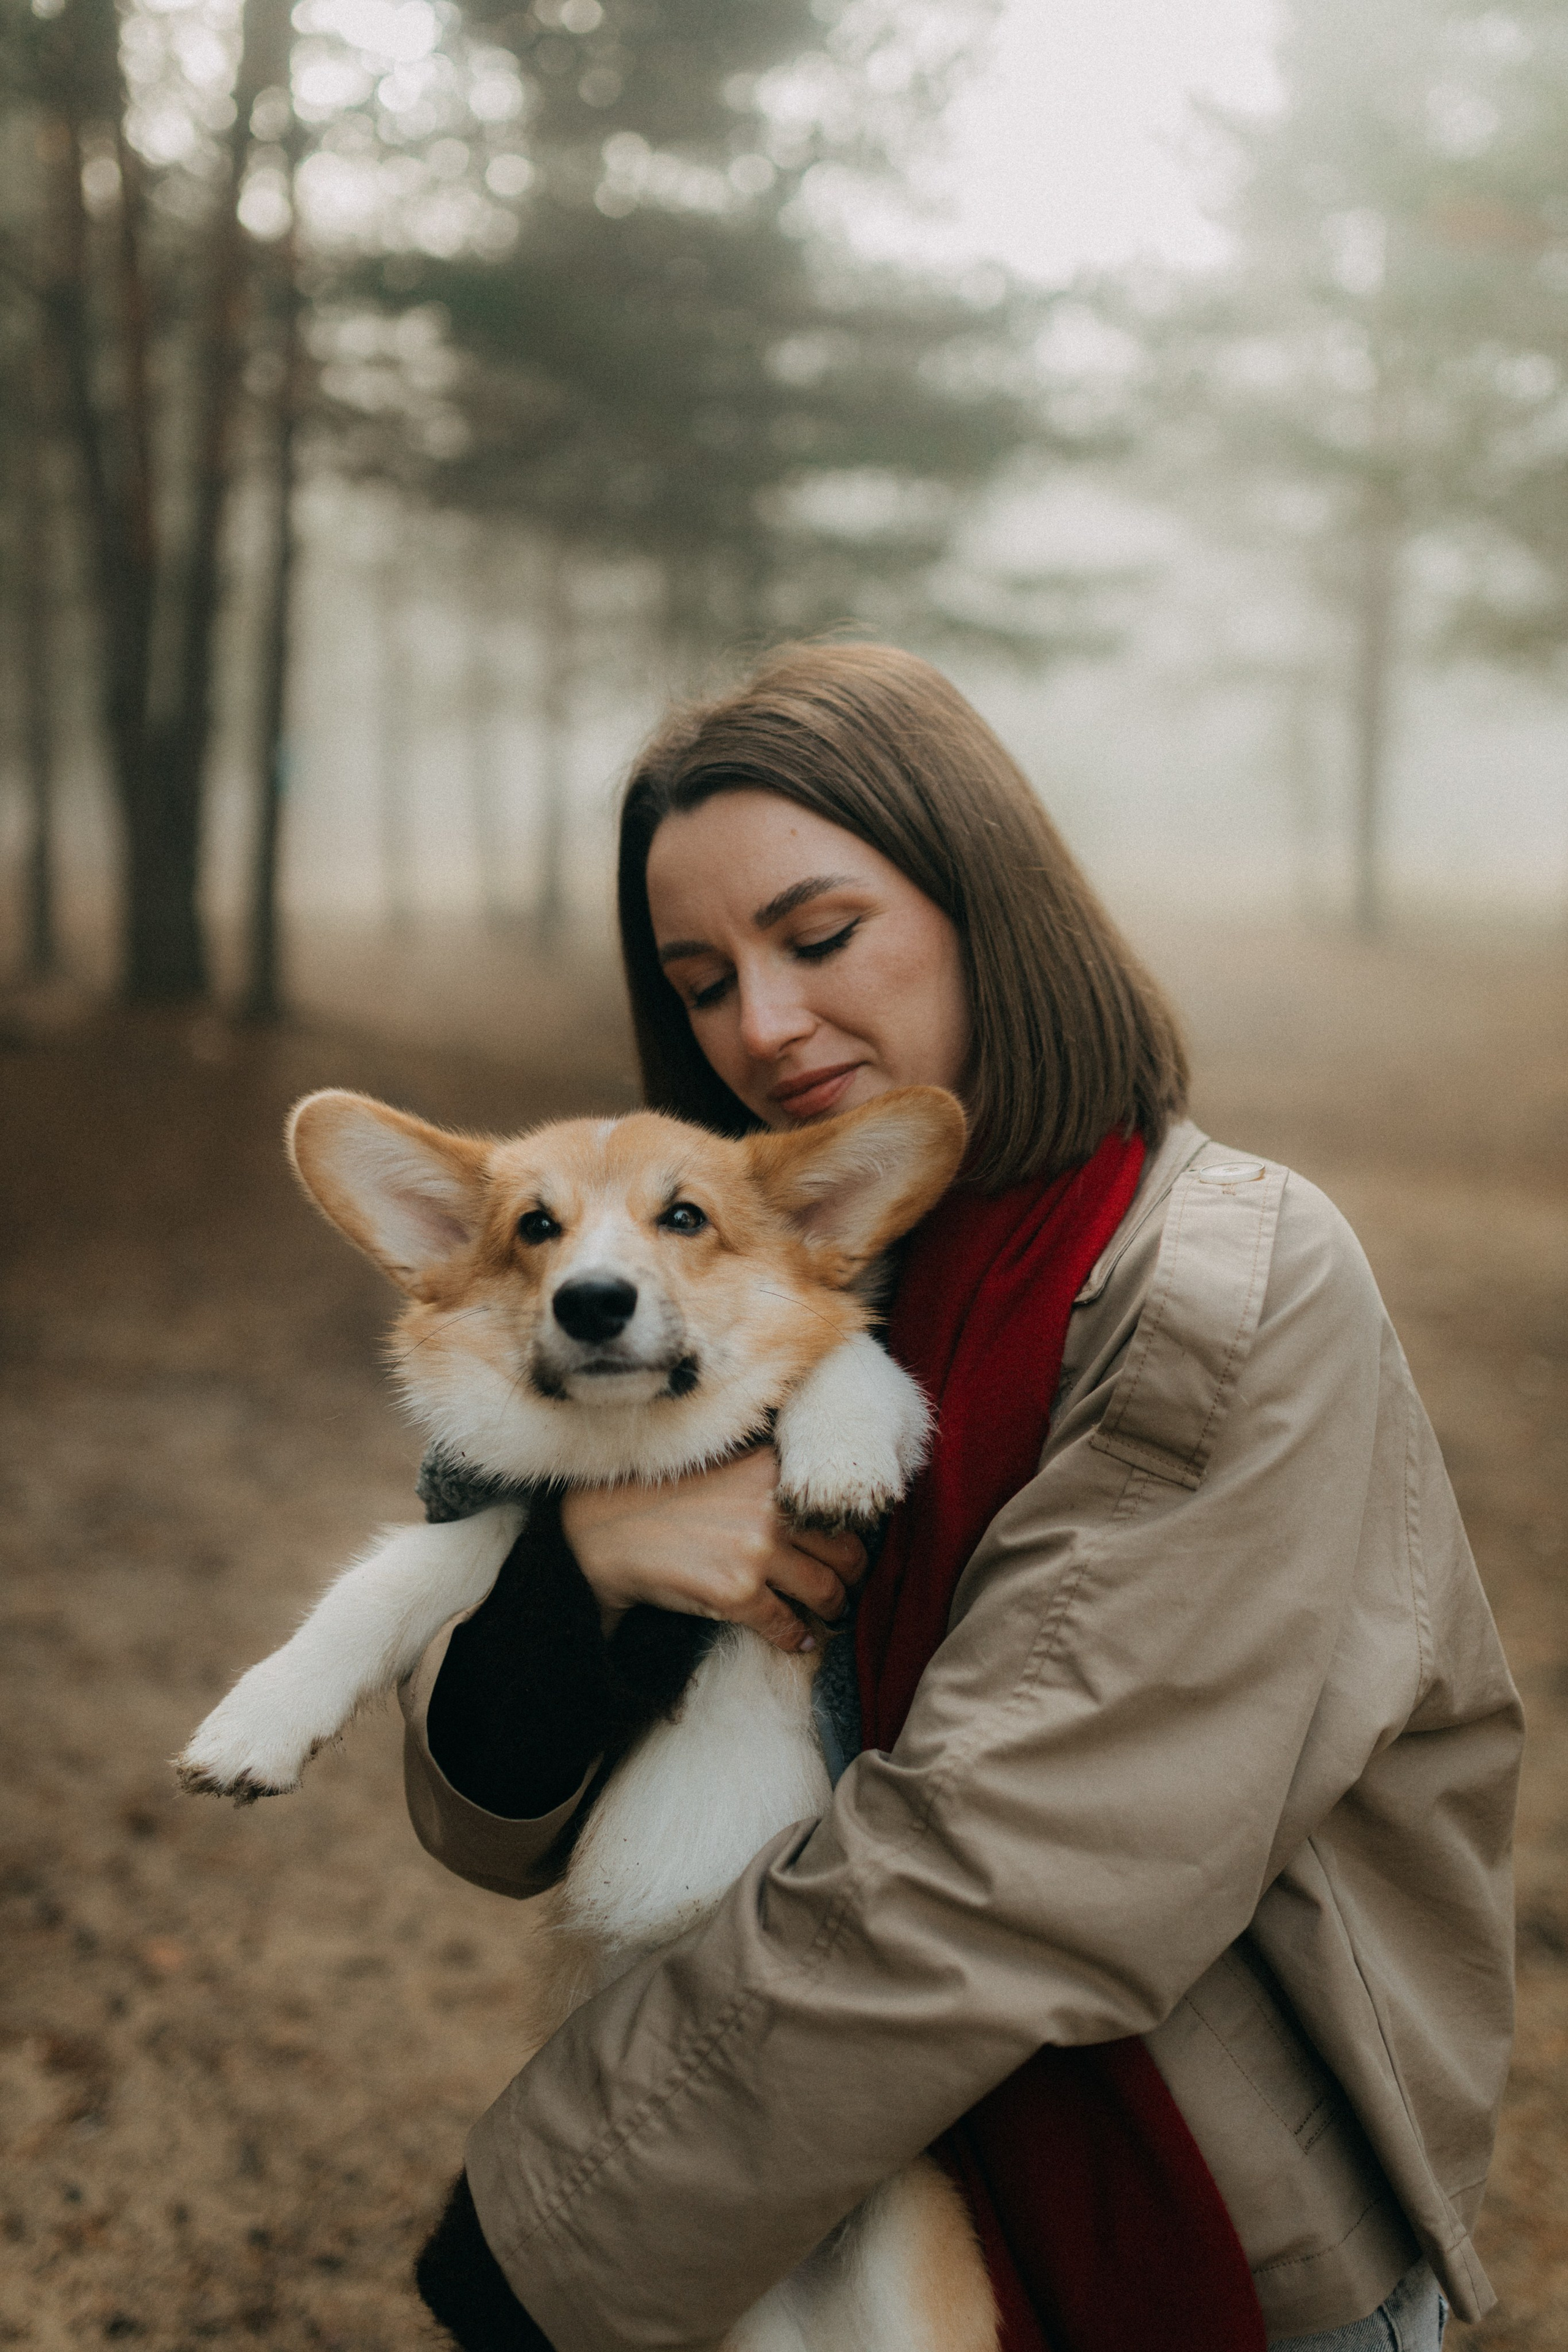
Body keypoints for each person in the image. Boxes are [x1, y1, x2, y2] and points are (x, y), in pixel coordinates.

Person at [404, 643, 1520, 2352]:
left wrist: (567, 2215)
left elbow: (1018, 1854)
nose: (761, 1028)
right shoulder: (720, 1289)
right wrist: (577, 1578)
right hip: (835, 2223)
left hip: (1208, 2229)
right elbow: (493, 1820)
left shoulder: (1221, 1284)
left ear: (984, 896)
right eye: (701, 980)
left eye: (820, 937)